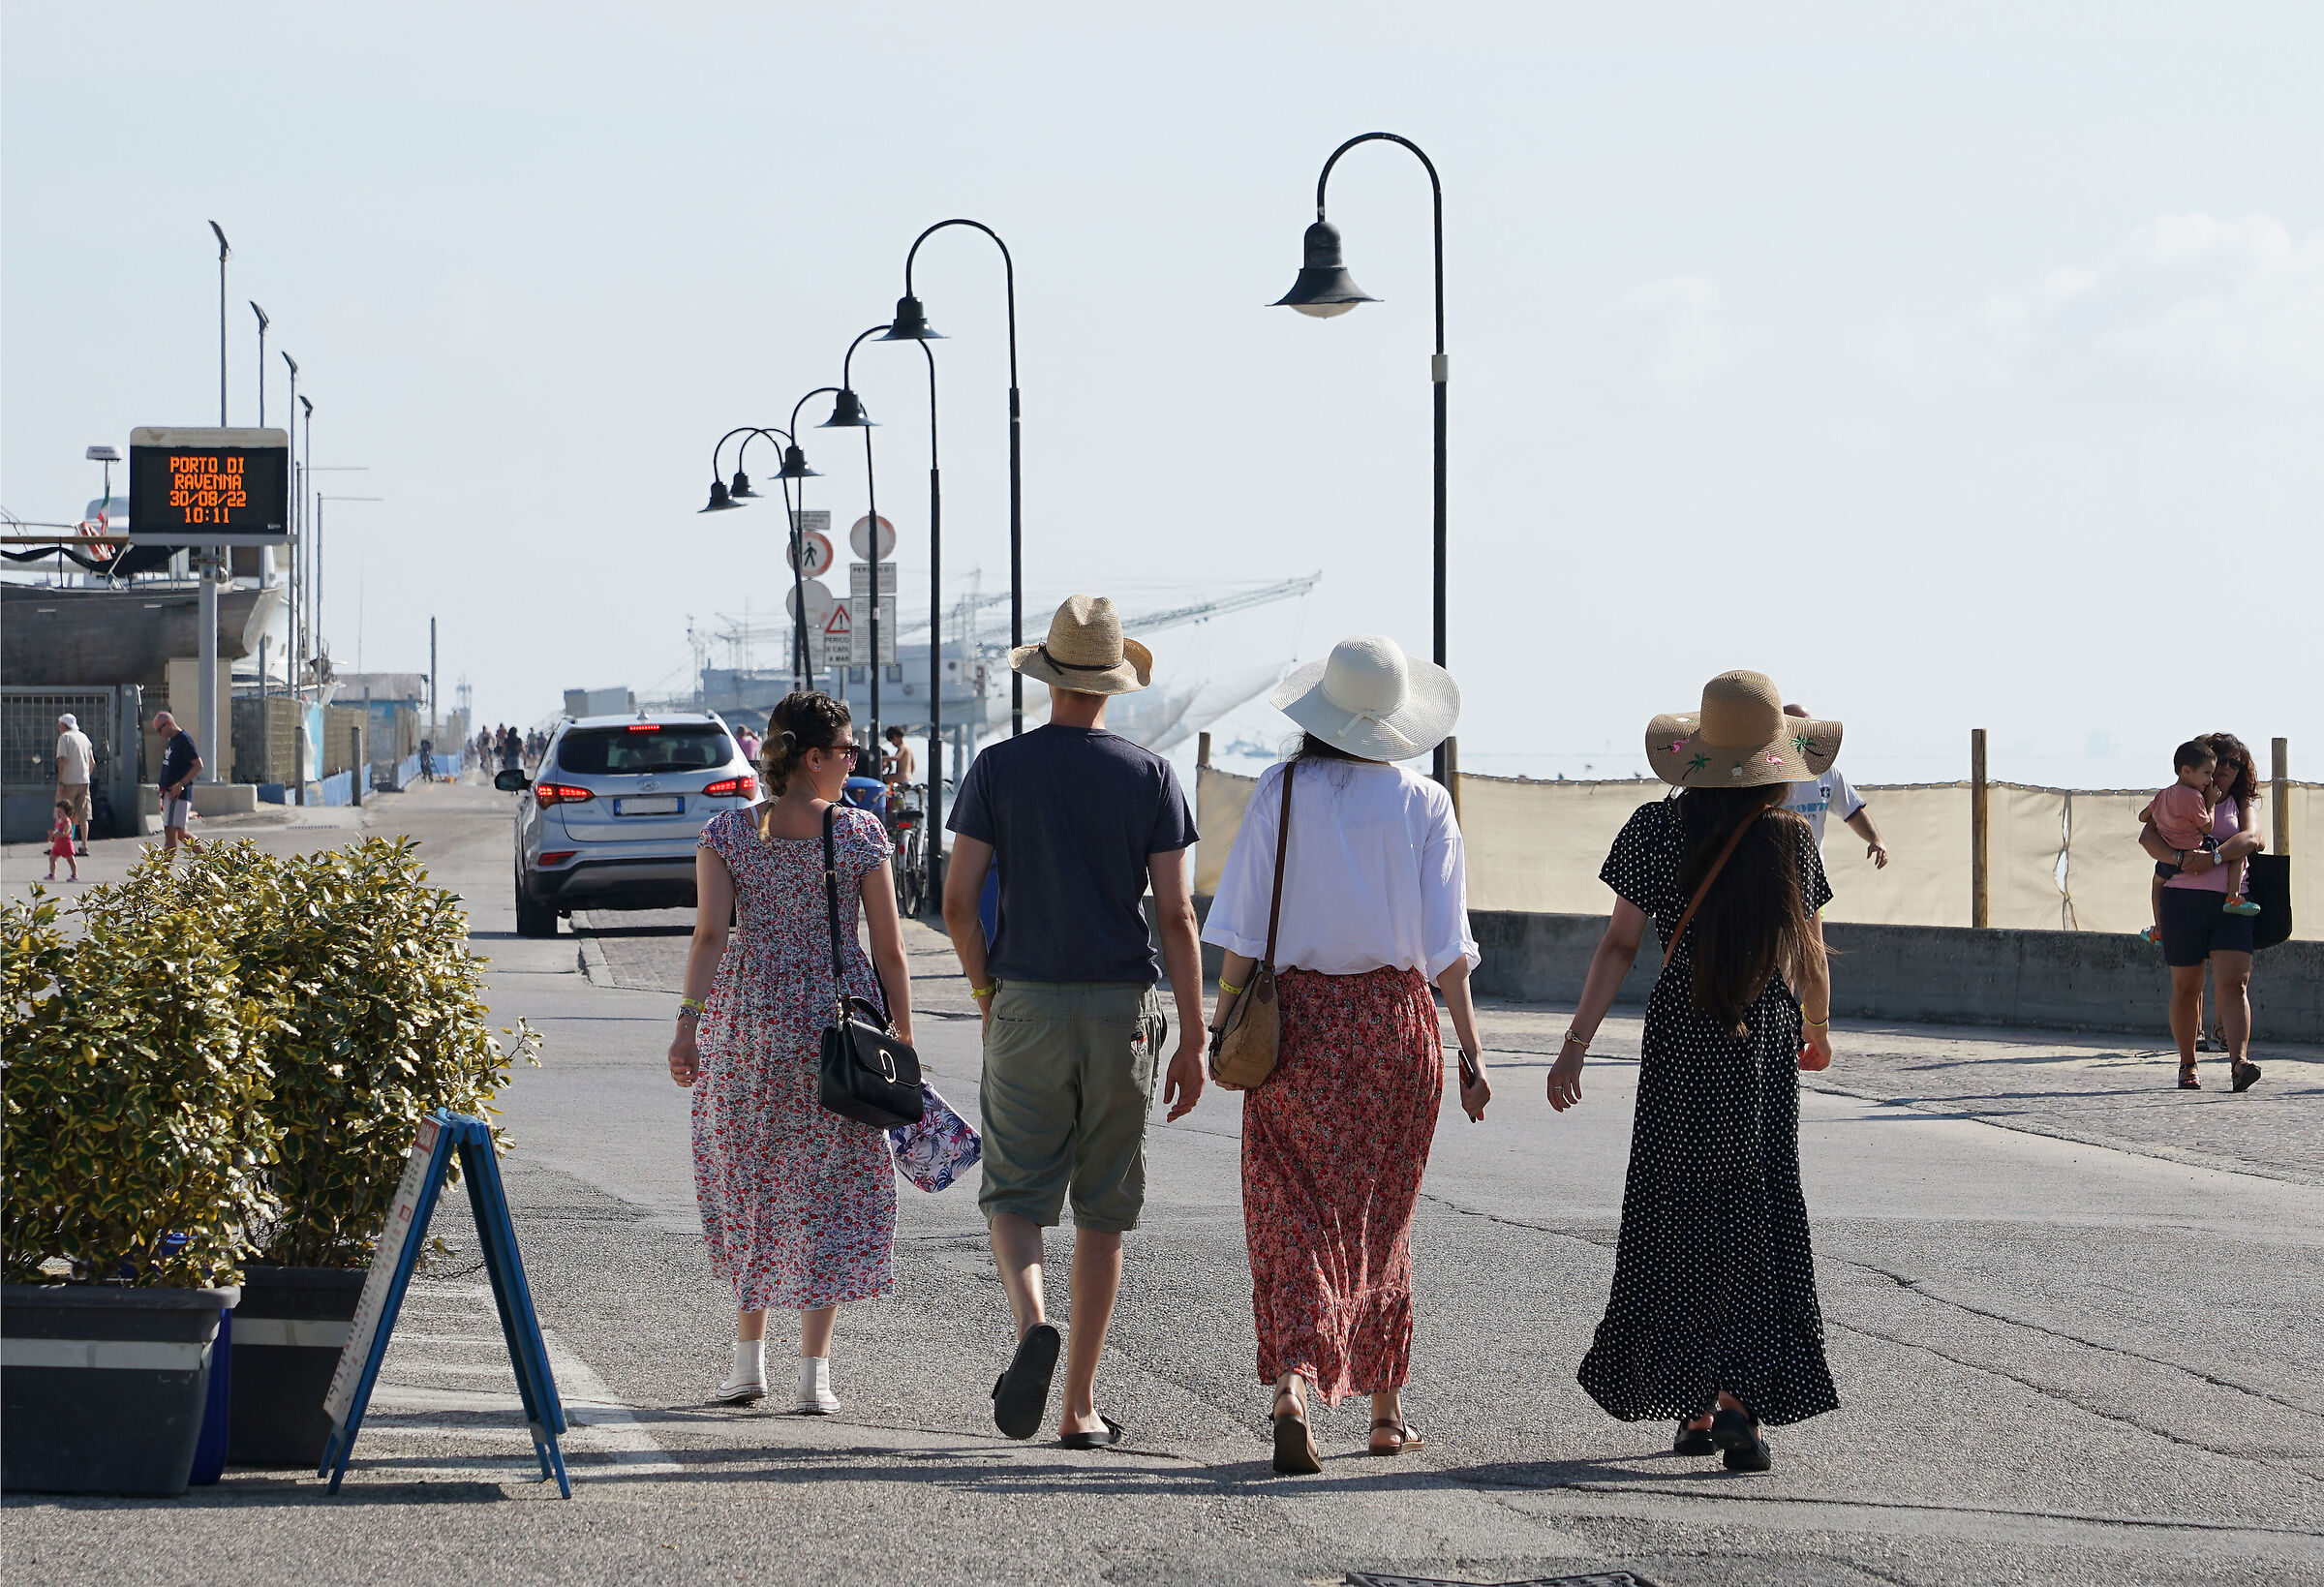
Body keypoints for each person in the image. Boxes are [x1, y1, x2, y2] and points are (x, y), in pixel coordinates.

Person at [1201, 634, 1492, 1474]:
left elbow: (1242, 932)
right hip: (1396, 1028)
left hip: (1296, 1026)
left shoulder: (1282, 790)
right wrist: (1471, 1053)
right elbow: (1448, 950)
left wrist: (1222, 1026)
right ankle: (1385, 1413)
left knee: (1292, 1208)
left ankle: (1294, 1383)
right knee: (1382, 1216)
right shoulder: (1426, 803)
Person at [1551, 669, 1839, 1475]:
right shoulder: (1790, 839)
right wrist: (1816, 1028)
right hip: (1760, 1036)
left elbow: (1618, 944)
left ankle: (1694, 1403)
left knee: (1678, 1204)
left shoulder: (1654, 828)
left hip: (1681, 1034)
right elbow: (1810, 954)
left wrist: (1576, 1041)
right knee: (1752, 1202)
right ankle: (1740, 1400)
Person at [940, 594, 1207, 1449]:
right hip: (1123, 1010)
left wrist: (986, 993)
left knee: (1014, 1192)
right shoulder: (1150, 775)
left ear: (1047, 676)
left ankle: (1032, 1326)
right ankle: (1079, 1405)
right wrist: (1195, 1036)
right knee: (1103, 1207)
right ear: (1113, 683)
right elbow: (1177, 917)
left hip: (1024, 999)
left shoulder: (998, 769)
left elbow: (956, 904)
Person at [666, 689, 913, 1413]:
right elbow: (890, 949)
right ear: (813, 757)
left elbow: (710, 936)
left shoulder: (726, 832)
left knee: (751, 1179)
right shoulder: (858, 832)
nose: (854, 761)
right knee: (829, 1189)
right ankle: (815, 1375)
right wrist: (903, 1032)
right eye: (846, 751)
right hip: (839, 1026)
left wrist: (687, 1025)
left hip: (748, 1025)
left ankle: (748, 1364)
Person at [2140, 732, 2265, 1092]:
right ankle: (2188, 1064)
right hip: (2183, 900)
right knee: (2187, 988)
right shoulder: (2180, 796)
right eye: (2221, 760)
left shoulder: (2240, 803)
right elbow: (2147, 837)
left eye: (2235, 764)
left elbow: (2252, 838)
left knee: (2235, 983)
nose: (2226, 768)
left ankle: (2239, 1063)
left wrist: (2212, 857)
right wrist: (2180, 859)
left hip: (2232, 903)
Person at [1779, 704, 1885, 869]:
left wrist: (1875, 840)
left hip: (1813, 872)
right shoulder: (1766, 772)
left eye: (1808, 727)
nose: (1804, 733)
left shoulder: (1826, 771)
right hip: (1774, 870)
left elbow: (1853, 811)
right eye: (1797, 726)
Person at [152, 711, 203, 853]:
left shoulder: (183, 740)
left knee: (171, 833)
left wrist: (180, 784)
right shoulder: (172, 741)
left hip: (177, 795)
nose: (159, 733)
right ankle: (210, 861)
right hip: (169, 794)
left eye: (160, 729)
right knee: (180, 833)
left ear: (169, 724)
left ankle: (164, 866)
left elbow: (198, 765)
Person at [53, 713, 94, 857]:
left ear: (63, 725)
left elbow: (62, 760)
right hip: (84, 781)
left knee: (62, 812)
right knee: (83, 815)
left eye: (59, 725)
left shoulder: (64, 738)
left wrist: (60, 781)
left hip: (68, 781)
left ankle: (61, 845)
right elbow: (92, 762)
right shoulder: (84, 738)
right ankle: (84, 846)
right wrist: (86, 774)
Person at [46, 802, 79, 883]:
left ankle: (74, 875)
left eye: (60, 812)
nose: (58, 813)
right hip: (57, 845)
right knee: (52, 858)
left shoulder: (68, 823)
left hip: (66, 845)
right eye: (57, 811)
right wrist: (52, 835)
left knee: (70, 860)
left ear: (67, 812)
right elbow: (57, 830)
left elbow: (65, 834)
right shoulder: (58, 820)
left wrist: (54, 834)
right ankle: (52, 874)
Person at [882, 724, 916, 793]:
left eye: (892, 741)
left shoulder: (902, 747)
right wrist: (909, 775)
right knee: (900, 793)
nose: (893, 744)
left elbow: (897, 758)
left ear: (895, 737)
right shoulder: (908, 749)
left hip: (901, 776)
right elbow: (913, 766)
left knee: (882, 778)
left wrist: (881, 758)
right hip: (908, 777)